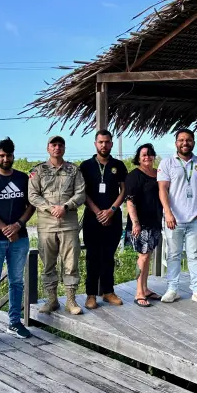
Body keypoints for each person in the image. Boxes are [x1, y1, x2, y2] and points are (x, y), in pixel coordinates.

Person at [0, 137, 36, 348]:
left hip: (19, 238)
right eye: (1, 155)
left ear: (13, 156)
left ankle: (14, 321)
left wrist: (18, 225)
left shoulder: (22, 178)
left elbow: (31, 205)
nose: (5, 159)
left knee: (17, 281)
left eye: (8, 155)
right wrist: (4, 228)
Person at [29, 136, 86, 315]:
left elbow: (81, 193)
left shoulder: (73, 170)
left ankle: (70, 300)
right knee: (48, 263)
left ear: (64, 148)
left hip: (68, 224)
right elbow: (32, 195)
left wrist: (66, 206)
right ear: (48, 148)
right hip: (47, 225)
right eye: (54, 145)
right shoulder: (38, 171)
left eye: (60, 145)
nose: (57, 148)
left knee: (71, 263)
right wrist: (50, 208)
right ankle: (52, 299)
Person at [158, 128, 197, 305]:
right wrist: (168, 212)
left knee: (194, 255)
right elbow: (163, 189)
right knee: (173, 255)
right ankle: (172, 289)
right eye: (181, 140)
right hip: (173, 219)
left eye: (188, 140)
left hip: (196, 219)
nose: (185, 143)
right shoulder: (167, 163)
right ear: (176, 143)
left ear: (193, 143)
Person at [80, 129, 128, 309]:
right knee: (92, 256)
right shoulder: (85, 166)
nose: (104, 145)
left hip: (113, 218)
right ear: (95, 144)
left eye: (107, 142)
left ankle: (108, 291)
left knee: (108, 256)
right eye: (100, 142)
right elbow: (82, 192)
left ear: (111, 144)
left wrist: (112, 210)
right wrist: (98, 212)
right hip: (92, 218)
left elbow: (124, 190)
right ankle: (90, 294)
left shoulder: (119, 165)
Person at [125, 143, 163, 307]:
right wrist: (135, 223)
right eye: (143, 155)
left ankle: (145, 288)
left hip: (155, 221)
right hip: (140, 223)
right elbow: (130, 201)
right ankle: (139, 292)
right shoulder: (134, 175)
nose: (147, 157)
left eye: (149, 154)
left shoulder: (158, 173)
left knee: (149, 256)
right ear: (138, 158)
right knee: (143, 256)